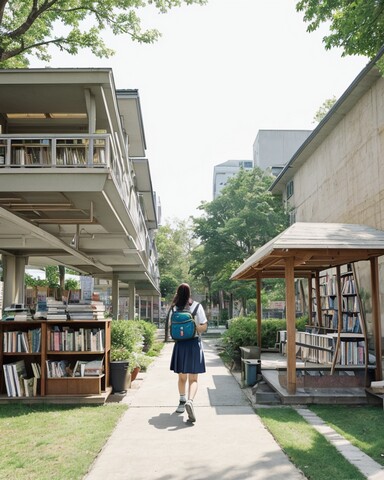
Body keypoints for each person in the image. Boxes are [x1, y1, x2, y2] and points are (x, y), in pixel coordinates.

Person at [169, 283, 208, 423]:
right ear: (190, 293)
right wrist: (194, 327)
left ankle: (181, 401)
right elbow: (204, 326)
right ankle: (190, 402)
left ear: (177, 293)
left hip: (180, 346)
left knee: (181, 378)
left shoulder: (174, 308)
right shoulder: (197, 306)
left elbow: (171, 327)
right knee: (194, 379)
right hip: (194, 345)